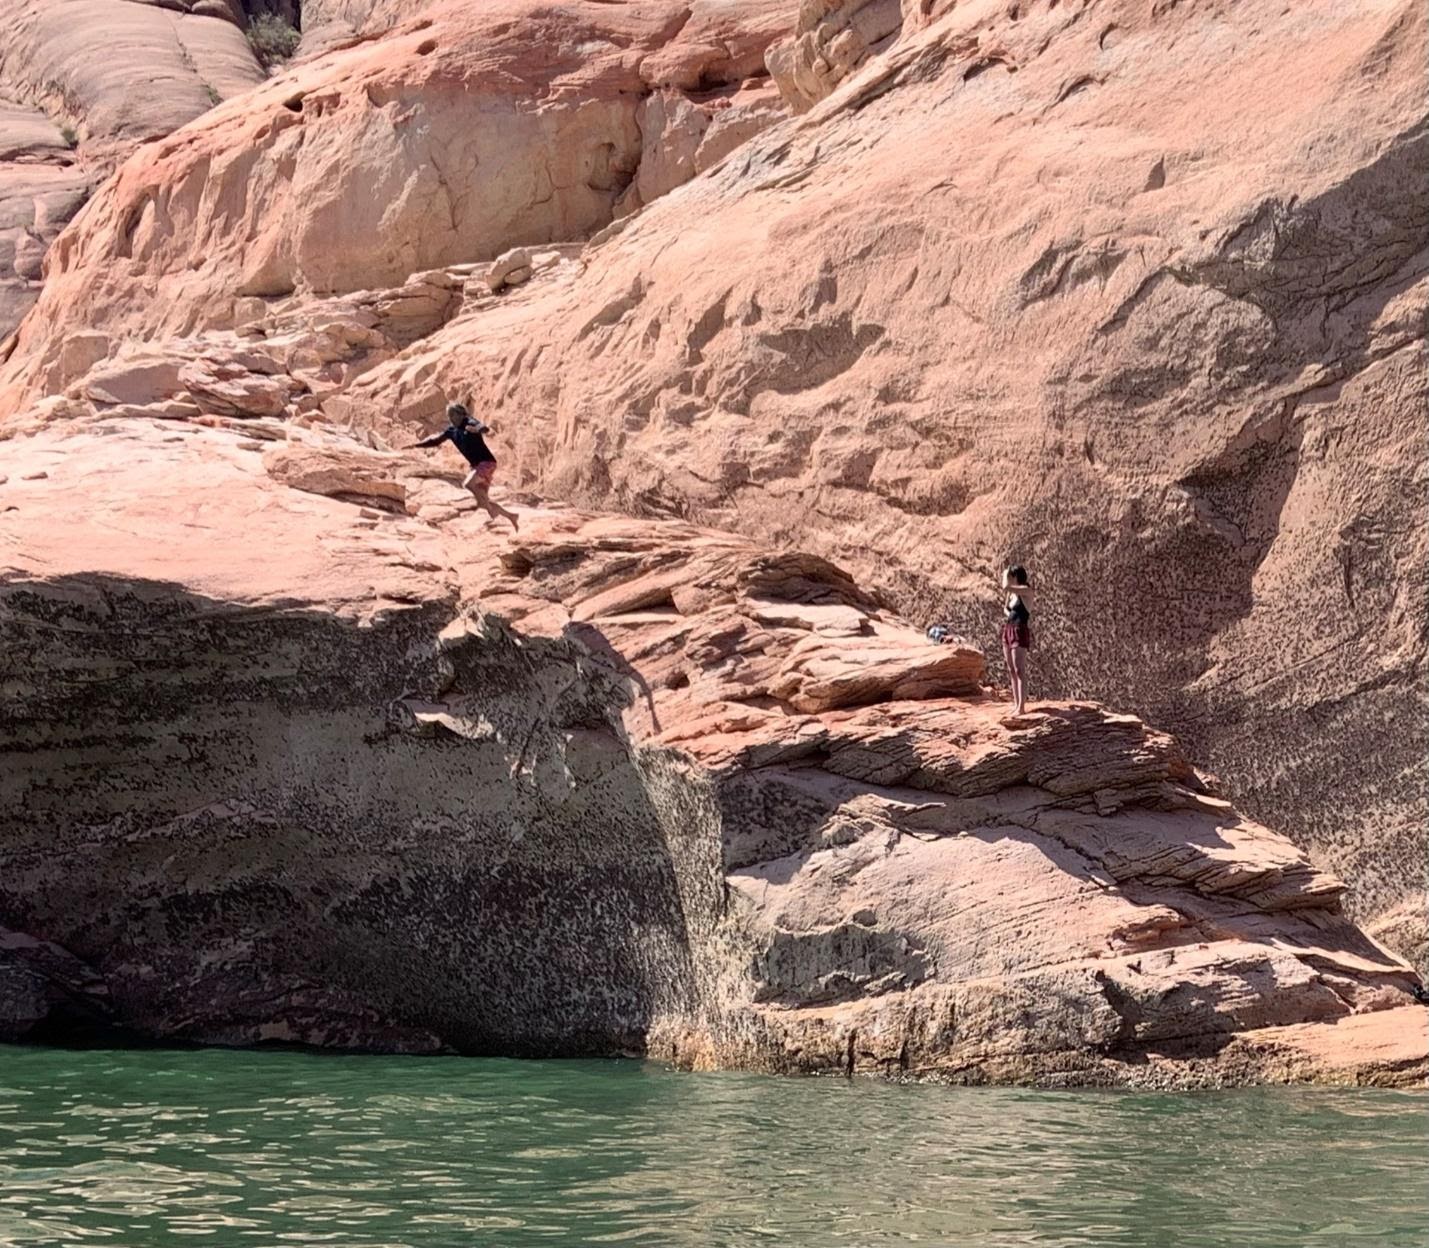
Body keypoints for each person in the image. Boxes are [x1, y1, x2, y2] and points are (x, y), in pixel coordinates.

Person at [410, 400, 518, 530]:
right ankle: (511, 516)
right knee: (483, 500)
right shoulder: (451, 431)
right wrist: (415, 445)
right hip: (478, 466)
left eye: (453, 415)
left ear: (461, 414)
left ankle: (489, 511)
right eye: (449, 416)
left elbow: (484, 428)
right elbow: (435, 441)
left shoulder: (469, 421)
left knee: (467, 484)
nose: (451, 418)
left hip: (486, 463)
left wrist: (476, 429)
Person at [1001, 564, 1033, 715]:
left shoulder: (1026, 590)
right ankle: (1016, 704)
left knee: (1020, 669)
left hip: (1020, 629)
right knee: (1011, 669)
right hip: (1009, 628)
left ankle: (1021, 707)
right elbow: (1007, 609)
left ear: (1015, 577)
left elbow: (1006, 587)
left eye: (1011, 576)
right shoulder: (1014, 594)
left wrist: (1004, 574)